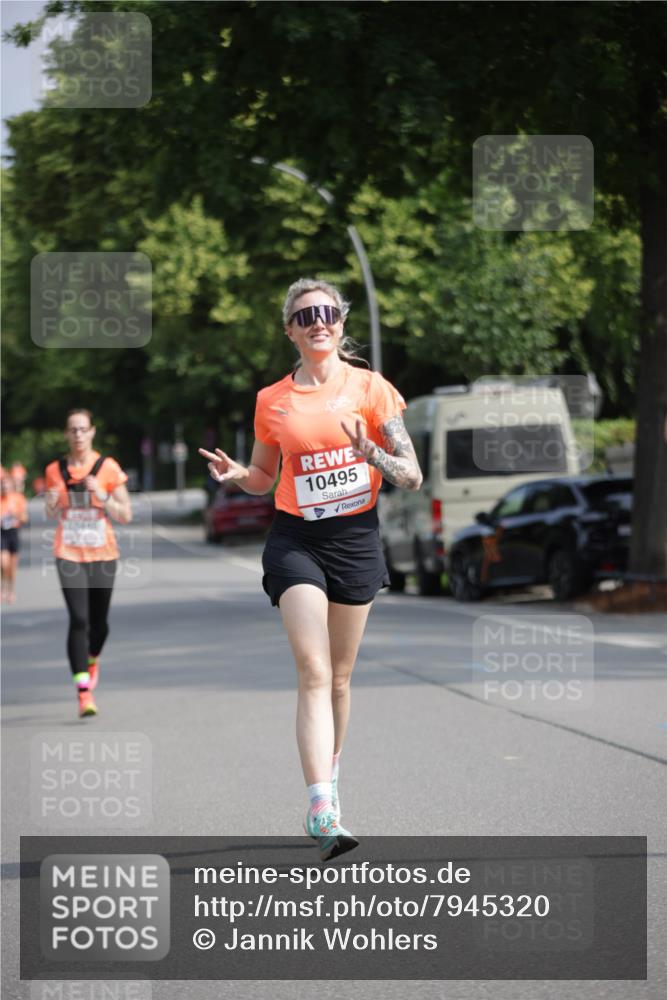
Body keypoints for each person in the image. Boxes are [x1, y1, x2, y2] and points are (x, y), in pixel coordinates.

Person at [200, 278, 422, 861]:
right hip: (296, 540)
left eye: (326, 312)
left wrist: (366, 451)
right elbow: (264, 477)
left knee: (342, 679)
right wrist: (236, 475)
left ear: (342, 323)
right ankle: (321, 804)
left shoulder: (372, 390)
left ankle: (331, 772)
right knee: (314, 669)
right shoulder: (272, 399)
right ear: (290, 331)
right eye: (304, 316)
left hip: (355, 540)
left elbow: (412, 475)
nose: (317, 321)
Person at [44, 410, 132, 718]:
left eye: (83, 429)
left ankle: (92, 657)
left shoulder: (107, 467)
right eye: (73, 430)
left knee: (100, 623)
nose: (78, 435)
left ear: (92, 432)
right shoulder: (55, 470)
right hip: (68, 552)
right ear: (66, 435)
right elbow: (51, 515)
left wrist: (102, 496)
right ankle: (84, 693)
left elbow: (126, 514)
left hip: (103, 554)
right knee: (79, 620)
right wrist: (50, 504)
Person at [1, 473, 28, 603]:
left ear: (11, 486)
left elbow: (25, 518)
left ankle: (11, 590)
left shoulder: (18, 498)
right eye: (2, 485)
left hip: (14, 532)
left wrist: (15, 514)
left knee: (12, 566)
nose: (4, 488)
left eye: (7, 485)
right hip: (2, 533)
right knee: (3, 563)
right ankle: (3, 588)